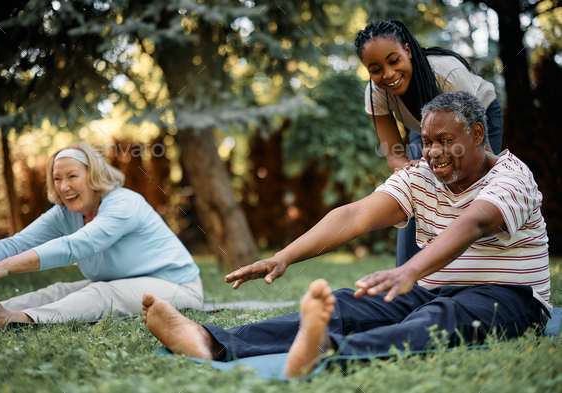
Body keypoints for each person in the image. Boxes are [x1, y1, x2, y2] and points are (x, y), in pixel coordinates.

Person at [139, 92, 550, 378]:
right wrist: (285, 255)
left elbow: (473, 224)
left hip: (507, 295)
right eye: (427, 142)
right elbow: (355, 216)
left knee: (437, 319)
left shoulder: (512, 178)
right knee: (345, 305)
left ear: (478, 135)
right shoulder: (422, 176)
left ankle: (329, 356)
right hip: (429, 287)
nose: (434, 152)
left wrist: (411, 270)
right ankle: (210, 341)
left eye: (447, 141)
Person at [0, 142, 203, 329]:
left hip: (178, 286)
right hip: (122, 282)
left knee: (101, 294)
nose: (63, 187)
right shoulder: (64, 214)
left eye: (72, 176)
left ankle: (12, 319)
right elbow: (17, 244)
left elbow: (75, 246)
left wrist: (5, 267)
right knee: (59, 291)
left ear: (94, 176)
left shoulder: (123, 204)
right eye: (57, 178)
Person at [355, 19, 504, 266]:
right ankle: (407, 279)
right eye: (376, 69)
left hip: (478, 117)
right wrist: (411, 174)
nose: (388, 74)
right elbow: (394, 156)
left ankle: (471, 270)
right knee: (412, 187)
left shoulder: (448, 74)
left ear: (408, 51)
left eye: (393, 61)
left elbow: (479, 152)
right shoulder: (375, 94)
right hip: (422, 129)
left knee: (471, 183)